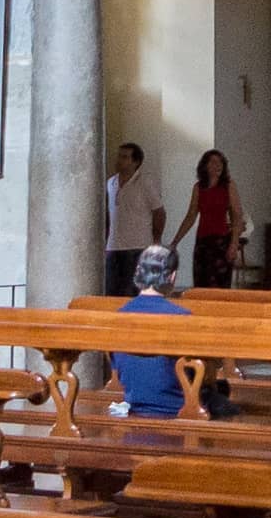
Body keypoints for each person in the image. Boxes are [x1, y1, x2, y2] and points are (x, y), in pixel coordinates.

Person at [106, 243, 227, 420]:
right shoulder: (182, 317)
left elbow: (118, 365)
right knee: (225, 402)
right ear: (172, 276)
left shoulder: (120, 315)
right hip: (176, 407)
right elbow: (207, 369)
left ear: (138, 272)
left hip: (134, 403)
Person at [170, 148, 243, 293]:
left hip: (221, 241)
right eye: (213, 162)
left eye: (220, 162)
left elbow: (237, 215)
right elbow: (191, 216)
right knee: (201, 282)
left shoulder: (228, 185)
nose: (217, 166)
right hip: (203, 241)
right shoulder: (198, 188)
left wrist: (234, 243)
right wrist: (175, 241)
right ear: (205, 166)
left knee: (219, 285)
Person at [104, 142, 161, 296]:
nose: (119, 160)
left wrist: (156, 239)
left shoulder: (145, 183)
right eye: (119, 156)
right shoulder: (111, 183)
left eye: (124, 157)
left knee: (133, 291)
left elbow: (159, 212)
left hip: (138, 246)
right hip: (113, 247)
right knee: (111, 291)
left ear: (135, 162)